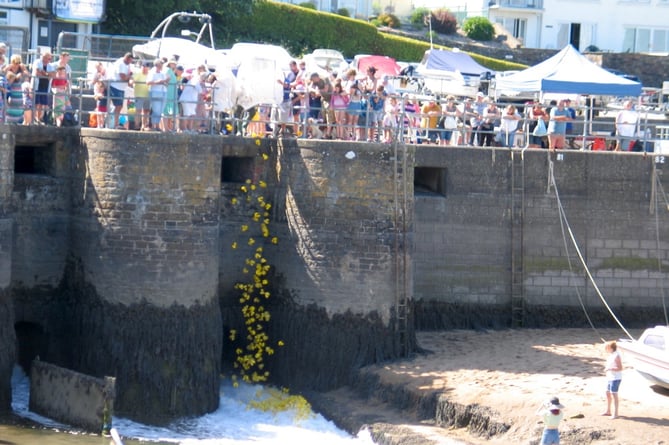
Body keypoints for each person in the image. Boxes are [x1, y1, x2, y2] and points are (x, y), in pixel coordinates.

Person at [109, 52, 133, 129]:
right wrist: (130, 76)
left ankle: (116, 123)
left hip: (121, 88)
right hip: (116, 87)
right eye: (129, 60)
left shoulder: (127, 64)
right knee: (118, 106)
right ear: (126, 58)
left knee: (119, 106)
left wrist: (128, 77)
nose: (130, 62)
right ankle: (114, 123)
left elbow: (126, 77)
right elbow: (123, 77)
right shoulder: (120, 64)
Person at [32, 52, 54, 125]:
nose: (49, 60)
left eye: (50, 58)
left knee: (42, 103)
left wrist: (44, 73)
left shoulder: (50, 66)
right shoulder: (37, 62)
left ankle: (38, 118)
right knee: (36, 102)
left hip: (45, 86)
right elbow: (37, 72)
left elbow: (53, 74)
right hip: (37, 85)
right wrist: (47, 74)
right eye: (48, 58)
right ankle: (33, 118)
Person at [146, 58, 168, 131]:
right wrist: (158, 82)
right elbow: (148, 82)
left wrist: (165, 81)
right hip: (155, 91)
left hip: (163, 92)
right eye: (161, 64)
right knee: (156, 109)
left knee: (160, 110)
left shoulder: (162, 73)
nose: (162, 65)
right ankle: (154, 126)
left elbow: (166, 81)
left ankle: (157, 126)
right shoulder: (152, 72)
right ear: (157, 65)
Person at [602, 340, 623, 419]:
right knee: (607, 392)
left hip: (616, 378)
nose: (605, 349)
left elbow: (620, 368)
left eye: (606, 347)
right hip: (610, 377)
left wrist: (610, 368)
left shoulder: (617, 355)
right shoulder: (611, 355)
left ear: (610, 348)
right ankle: (608, 411)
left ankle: (615, 413)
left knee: (614, 394)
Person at [131, 61, 151, 131]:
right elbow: (132, 79)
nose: (144, 68)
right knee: (138, 110)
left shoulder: (150, 74)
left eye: (146, 67)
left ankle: (143, 125)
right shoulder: (138, 73)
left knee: (146, 111)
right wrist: (131, 81)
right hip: (139, 95)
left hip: (147, 95)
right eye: (143, 66)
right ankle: (136, 125)